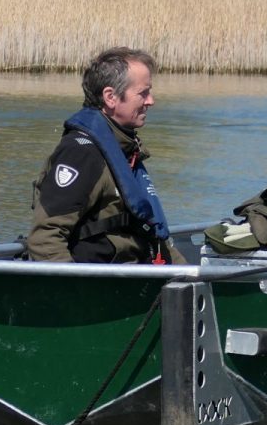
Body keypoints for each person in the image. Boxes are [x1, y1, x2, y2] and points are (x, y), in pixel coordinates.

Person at [26, 47, 184, 264]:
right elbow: (45, 239)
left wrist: (187, 276)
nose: (151, 101)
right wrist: (77, 292)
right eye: (143, 93)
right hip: (101, 284)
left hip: (136, 274)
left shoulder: (124, 149)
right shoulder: (81, 153)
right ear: (110, 97)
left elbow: (150, 231)